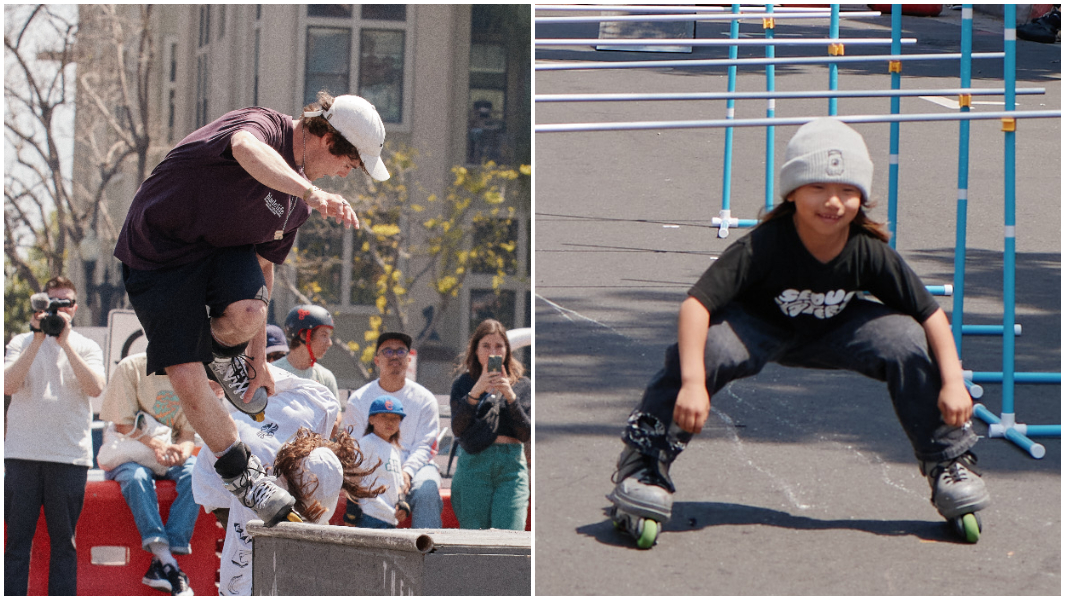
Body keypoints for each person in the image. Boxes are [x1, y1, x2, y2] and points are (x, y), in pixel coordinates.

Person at [607, 118, 991, 548]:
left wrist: (954, 383)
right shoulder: (765, 244)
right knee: (705, 347)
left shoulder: (868, 250)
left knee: (908, 339)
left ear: (861, 197)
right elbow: (696, 305)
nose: (833, 202)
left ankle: (948, 460)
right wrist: (695, 384)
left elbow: (931, 315)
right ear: (792, 192)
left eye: (847, 191)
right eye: (817, 188)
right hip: (759, 327)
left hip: (839, 330)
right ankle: (643, 459)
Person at [113, 91, 389, 528]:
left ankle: (224, 355)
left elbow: (263, 267)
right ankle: (241, 473)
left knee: (249, 311)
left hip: (219, 254)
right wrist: (313, 192)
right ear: (330, 140)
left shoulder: (294, 208)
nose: (345, 175)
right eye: (348, 164)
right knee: (184, 371)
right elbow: (244, 149)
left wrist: (256, 356)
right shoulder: (263, 125)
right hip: (159, 253)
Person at [192, 365, 380, 596]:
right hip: (216, 478)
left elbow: (269, 372)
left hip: (258, 432)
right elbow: (238, 567)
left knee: (301, 541)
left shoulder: (321, 403)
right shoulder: (258, 480)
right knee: (260, 540)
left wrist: (233, 369)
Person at [4, 276, 106, 595]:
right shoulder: (21, 342)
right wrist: (37, 339)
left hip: (68, 456)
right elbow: (7, 386)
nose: (59, 310)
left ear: (74, 308)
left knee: (65, 545)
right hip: (23, 455)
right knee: (17, 543)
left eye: (65, 304)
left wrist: (65, 343)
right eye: (53, 303)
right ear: (43, 304)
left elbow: (95, 388)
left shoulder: (87, 345)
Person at [99, 353, 197, 596]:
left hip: (167, 453)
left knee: (197, 473)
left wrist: (179, 453)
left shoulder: (191, 372)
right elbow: (122, 424)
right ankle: (168, 563)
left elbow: (187, 435)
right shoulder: (131, 367)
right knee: (137, 479)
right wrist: (157, 446)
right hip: (130, 451)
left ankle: (161, 562)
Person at [339, 332, 444, 528]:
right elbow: (352, 449)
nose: (394, 356)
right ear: (377, 360)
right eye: (387, 351)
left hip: (415, 467)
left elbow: (426, 446)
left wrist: (406, 473)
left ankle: (426, 550)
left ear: (409, 358)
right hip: (373, 465)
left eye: (400, 351)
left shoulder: (425, 399)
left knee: (427, 489)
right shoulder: (360, 400)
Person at [449, 319, 531, 530]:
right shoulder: (463, 384)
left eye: (499, 346)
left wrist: (510, 396)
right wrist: (475, 393)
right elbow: (458, 428)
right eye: (486, 346)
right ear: (475, 350)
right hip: (474, 463)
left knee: (510, 535)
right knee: (474, 538)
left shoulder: (522, 385)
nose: (492, 351)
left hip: (511, 465)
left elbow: (526, 433)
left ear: (507, 350)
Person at [349, 395, 411, 529]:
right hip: (370, 515)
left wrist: (402, 502)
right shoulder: (366, 443)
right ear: (371, 419)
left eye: (395, 418)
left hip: (390, 517)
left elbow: (397, 484)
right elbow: (354, 477)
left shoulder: (395, 450)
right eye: (384, 416)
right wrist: (351, 511)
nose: (390, 422)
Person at [273, 304, 339, 400]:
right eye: (324, 335)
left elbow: (336, 415)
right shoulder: (273, 373)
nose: (329, 343)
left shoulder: (326, 377)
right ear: (304, 335)